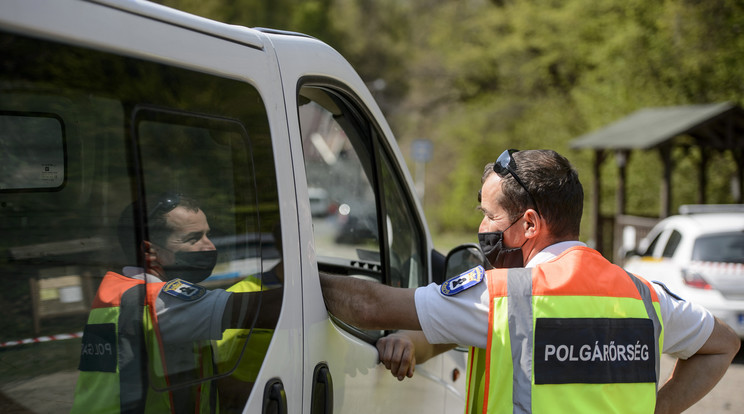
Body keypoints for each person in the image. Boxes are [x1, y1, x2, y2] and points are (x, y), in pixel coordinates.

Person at [320, 149, 741, 414]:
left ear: (530, 224)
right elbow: (723, 345)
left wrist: (292, 275)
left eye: (490, 215)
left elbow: (369, 306)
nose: (481, 226)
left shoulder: (503, 293)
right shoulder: (642, 294)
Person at [71, 193, 281, 413]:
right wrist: (318, 288)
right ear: (149, 251)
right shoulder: (158, 301)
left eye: (207, 235)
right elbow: (264, 310)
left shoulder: (121, 293)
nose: (209, 247)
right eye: (193, 238)